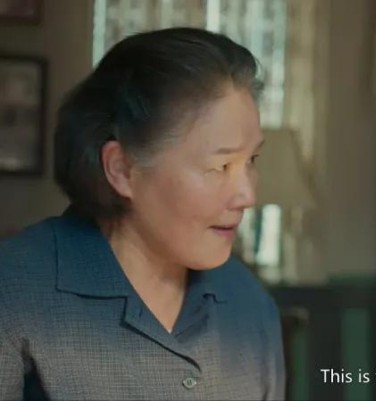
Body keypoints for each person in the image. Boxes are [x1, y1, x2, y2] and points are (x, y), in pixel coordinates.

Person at [0, 28, 285, 400]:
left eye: (251, 160)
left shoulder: (249, 303)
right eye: (220, 166)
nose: (247, 195)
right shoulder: (15, 293)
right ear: (122, 169)